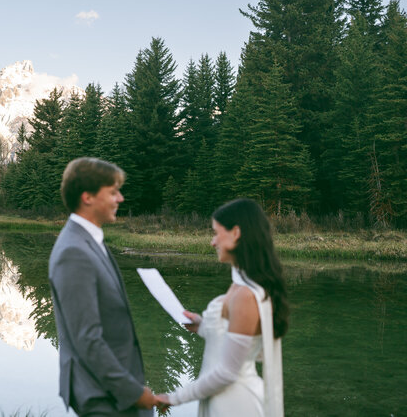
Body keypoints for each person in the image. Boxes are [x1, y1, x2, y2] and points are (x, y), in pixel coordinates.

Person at [155, 198, 289, 417]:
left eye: (216, 233)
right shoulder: (240, 285)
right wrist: (203, 326)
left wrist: (174, 397)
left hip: (236, 404)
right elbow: (231, 337)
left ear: (235, 233)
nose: (212, 242)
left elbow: (227, 372)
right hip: (223, 399)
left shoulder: (246, 295)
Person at [49, 157, 156, 416]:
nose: (120, 198)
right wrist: (133, 393)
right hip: (102, 396)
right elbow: (87, 339)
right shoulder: (74, 252)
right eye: (113, 192)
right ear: (87, 197)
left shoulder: (88, 240)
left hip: (112, 391)